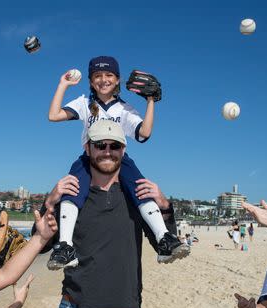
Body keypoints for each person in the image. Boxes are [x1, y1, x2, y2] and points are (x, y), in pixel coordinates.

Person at [41, 120, 181, 308]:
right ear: (88, 148)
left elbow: (162, 246)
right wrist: (49, 202)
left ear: (123, 150)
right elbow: (43, 244)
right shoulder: (71, 196)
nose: (107, 151)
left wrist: (164, 206)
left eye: (114, 146)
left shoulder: (137, 197)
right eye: (100, 145)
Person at [46, 55, 186, 269]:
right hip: (91, 156)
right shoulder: (85, 103)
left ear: (118, 79)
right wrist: (63, 84)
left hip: (119, 157)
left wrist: (151, 101)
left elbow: (144, 134)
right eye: (98, 76)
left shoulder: (124, 108)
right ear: (91, 81)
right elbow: (54, 115)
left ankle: (164, 237)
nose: (104, 79)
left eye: (109, 75)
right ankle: (65, 246)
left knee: (141, 189)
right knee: (71, 189)